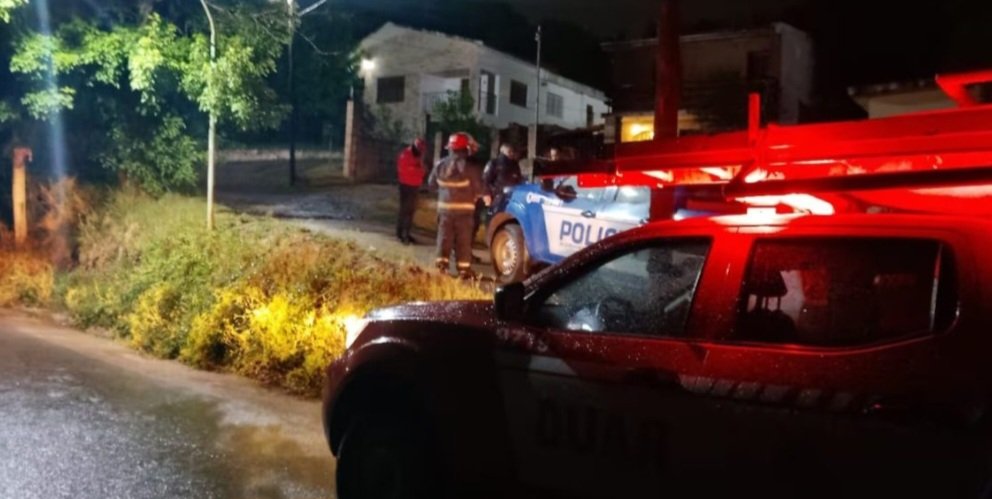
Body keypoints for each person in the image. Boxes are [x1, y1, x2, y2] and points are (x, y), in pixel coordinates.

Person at [429, 132, 488, 278]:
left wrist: (446, 191)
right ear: (466, 148)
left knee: (444, 239)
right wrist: (484, 195)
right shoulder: (470, 167)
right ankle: (464, 271)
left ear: (450, 148)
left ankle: (441, 268)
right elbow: (479, 188)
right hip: (464, 213)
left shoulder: (440, 165)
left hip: (445, 211)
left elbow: (431, 185)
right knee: (464, 241)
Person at [396, 137, 427, 245]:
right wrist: (419, 170)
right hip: (406, 186)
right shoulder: (406, 155)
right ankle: (401, 234)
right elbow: (406, 170)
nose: (421, 152)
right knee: (405, 211)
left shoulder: (417, 155)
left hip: (414, 186)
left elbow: (422, 170)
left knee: (410, 211)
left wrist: (420, 170)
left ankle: (406, 233)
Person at [482, 143, 523, 217]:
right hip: (496, 195)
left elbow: (519, 179)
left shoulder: (515, 165)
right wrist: (487, 194)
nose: (512, 153)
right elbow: (485, 180)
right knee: (495, 215)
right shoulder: (494, 163)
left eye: (512, 151)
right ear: (503, 151)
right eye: (509, 151)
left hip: (512, 195)